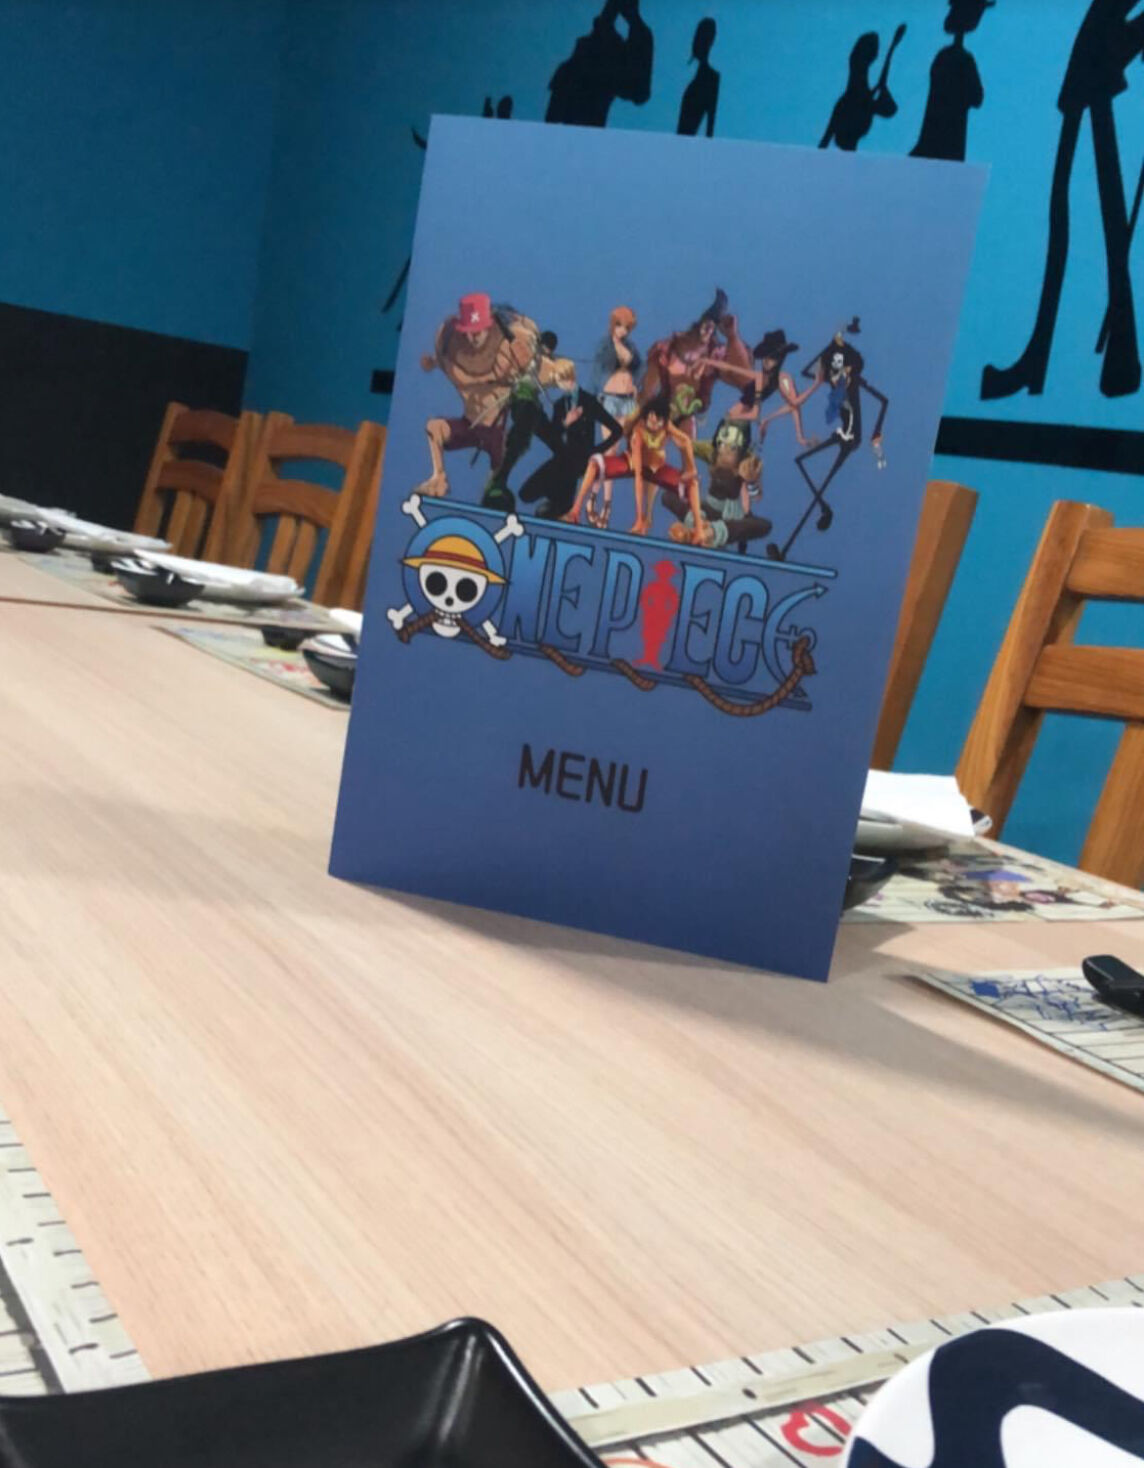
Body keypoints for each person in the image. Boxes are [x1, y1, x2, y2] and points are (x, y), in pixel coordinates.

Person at [981, 0, 1143, 400]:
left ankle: (1106, 357)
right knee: (1073, 202)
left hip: (1093, 73)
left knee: (1093, 204)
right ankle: (1042, 360)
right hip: (1090, 73)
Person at [415, 292, 543, 508]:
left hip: (496, 433)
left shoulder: (507, 356)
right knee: (433, 427)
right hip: (470, 424)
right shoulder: (456, 355)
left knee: (495, 484)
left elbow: (533, 362)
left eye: (478, 331)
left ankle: (493, 490)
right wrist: (432, 362)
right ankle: (439, 478)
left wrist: (534, 362)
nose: (473, 337)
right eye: (469, 332)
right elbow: (443, 360)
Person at [565, 392, 701, 538]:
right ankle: (575, 510)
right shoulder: (638, 432)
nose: (654, 424)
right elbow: (638, 477)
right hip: (632, 464)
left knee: (692, 484)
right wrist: (639, 518)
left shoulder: (667, 425)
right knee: (594, 463)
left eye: (658, 421)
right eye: (651, 419)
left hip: (657, 467)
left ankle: (699, 531)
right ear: (646, 417)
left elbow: (685, 441)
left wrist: (691, 468)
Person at [518, 360, 623, 520]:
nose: (558, 385)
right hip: (562, 456)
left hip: (579, 461)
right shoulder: (559, 405)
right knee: (525, 495)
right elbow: (554, 435)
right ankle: (559, 500)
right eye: (556, 382)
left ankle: (560, 503)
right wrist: (566, 423)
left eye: (558, 381)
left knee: (552, 508)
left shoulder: (589, 402)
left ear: (567, 378)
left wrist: (595, 452)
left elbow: (617, 430)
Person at [546, 0, 653, 127]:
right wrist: (634, 21)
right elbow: (638, 91)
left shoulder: (599, 62)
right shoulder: (579, 66)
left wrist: (635, 22)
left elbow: (639, 91)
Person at [910, 0, 993, 162]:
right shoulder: (963, 60)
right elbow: (977, 97)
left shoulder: (943, 57)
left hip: (938, 138)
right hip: (950, 141)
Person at [819, 28, 905, 151]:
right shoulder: (854, 102)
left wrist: (883, 88)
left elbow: (890, 109)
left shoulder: (856, 102)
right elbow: (890, 109)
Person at [677, 17, 719, 137]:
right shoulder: (691, 74)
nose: (697, 43)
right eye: (698, 38)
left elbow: (710, 128)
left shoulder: (711, 78)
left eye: (703, 39)